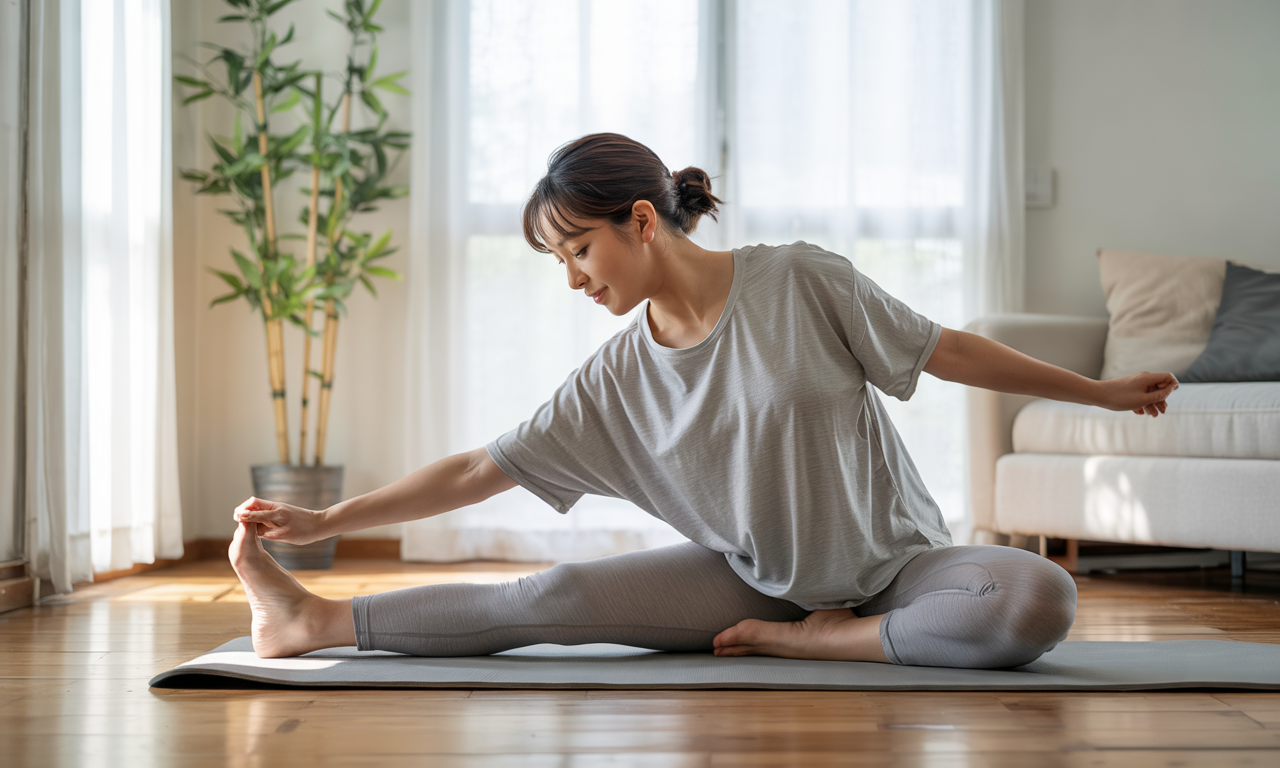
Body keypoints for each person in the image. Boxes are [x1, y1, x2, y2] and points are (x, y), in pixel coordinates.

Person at [229, 133, 1179, 668]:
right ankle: (312, 621)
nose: (573, 279)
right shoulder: (616, 377)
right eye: (558, 262)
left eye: (579, 251)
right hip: (750, 581)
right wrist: (328, 520)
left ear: (641, 221)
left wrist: (1097, 390)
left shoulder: (800, 280)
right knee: (549, 596)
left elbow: (946, 349)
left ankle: (822, 643)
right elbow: (483, 468)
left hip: (899, 568)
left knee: (1034, 598)